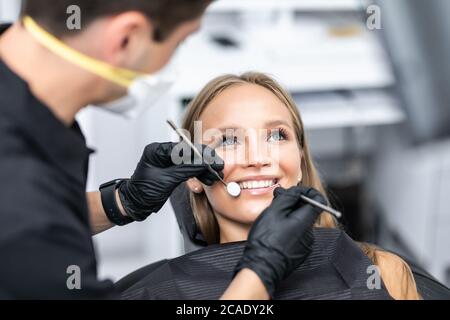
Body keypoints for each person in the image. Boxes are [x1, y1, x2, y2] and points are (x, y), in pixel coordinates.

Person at [0, 1, 324, 299]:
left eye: (278, 135)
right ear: (126, 38)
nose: (258, 158)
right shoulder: (27, 202)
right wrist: (260, 272)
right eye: (179, 44)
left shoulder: (370, 263)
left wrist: (122, 201)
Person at [120, 72, 421, 300]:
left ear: (300, 160)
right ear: (194, 175)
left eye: (277, 136)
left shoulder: (378, 269)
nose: (258, 158)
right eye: (228, 140)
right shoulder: (157, 291)